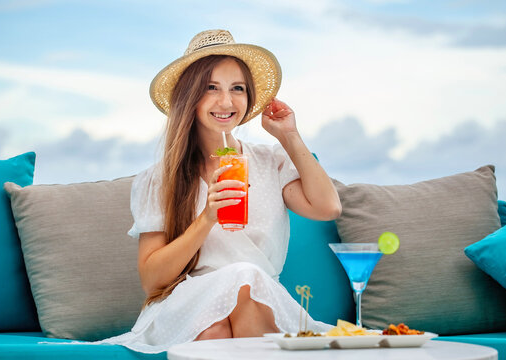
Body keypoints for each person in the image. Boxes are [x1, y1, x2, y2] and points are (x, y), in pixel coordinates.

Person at [100, 29, 342, 353]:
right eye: (211, 88)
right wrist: (207, 218)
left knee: (241, 290)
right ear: (190, 97)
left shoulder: (270, 161)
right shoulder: (160, 179)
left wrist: (290, 136)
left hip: (258, 298)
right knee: (214, 325)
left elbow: (328, 208)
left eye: (237, 89)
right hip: (185, 302)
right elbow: (152, 281)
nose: (226, 101)